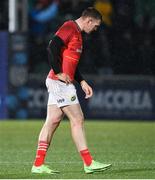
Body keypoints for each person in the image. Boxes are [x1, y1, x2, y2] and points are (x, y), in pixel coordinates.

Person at [31, 7, 112, 174]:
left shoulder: (78, 34)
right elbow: (52, 46)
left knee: (52, 120)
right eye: (95, 26)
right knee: (77, 119)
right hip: (59, 82)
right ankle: (88, 162)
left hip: (58, 81)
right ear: (89, 21)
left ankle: (38, 164)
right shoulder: (69, 27)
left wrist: (81, 81)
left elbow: (71, 64)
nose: (95, 30)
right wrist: (58, 71)